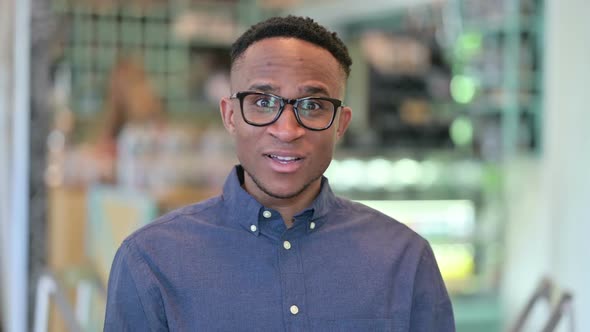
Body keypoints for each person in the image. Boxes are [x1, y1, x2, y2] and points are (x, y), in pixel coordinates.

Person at [104, 15, 455, 331]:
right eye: (262, 102)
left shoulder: (405, 260)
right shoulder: (151, 261)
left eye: (314, 105)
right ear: (229, 115)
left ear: (341, 124)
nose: (287, 130)